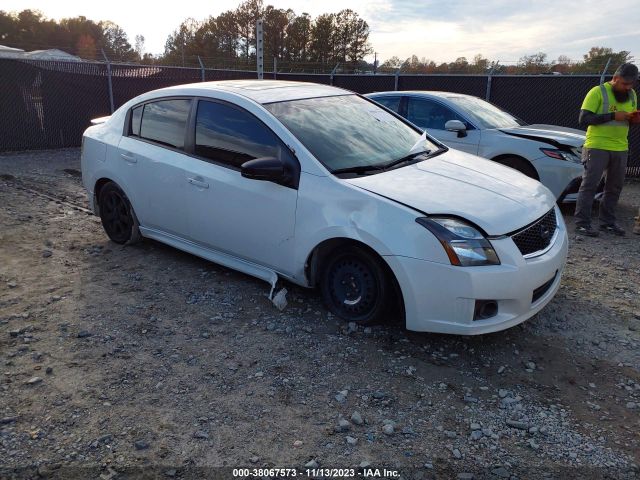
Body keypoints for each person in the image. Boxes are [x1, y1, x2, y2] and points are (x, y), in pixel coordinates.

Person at [574, 62, 638, 237]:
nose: (628, 87)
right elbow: (584, 118)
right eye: (625, 84)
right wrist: (612, 116)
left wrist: (632, 119)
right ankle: (582, 224)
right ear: (615, 78)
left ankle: (607, 222)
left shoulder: (632, 95)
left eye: (631, 84)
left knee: (614, 187)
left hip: (620, 147)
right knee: (589, 185)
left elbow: (627, 120)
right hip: (597, 146)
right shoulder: (597, 92)